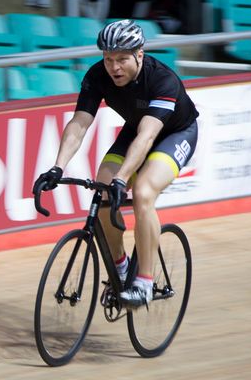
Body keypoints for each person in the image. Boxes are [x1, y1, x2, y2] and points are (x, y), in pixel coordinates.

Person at [33, 19, 199, 307]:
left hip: (173, 134)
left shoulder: (162, 80)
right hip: (135, 131)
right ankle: (120, 267)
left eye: (122, 59)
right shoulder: (97, 75)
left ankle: (144, 283)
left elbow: (148, 137)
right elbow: (80, 123)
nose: (114, 67)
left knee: (143, 192)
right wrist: (57, 167)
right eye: (108, 59)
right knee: (103, 190)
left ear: (139, 54)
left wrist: (123, 177)